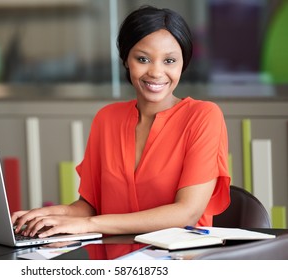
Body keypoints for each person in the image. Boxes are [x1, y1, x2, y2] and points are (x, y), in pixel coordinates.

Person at [12, 6, 231, 238]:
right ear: (127, 60)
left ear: (183, 64)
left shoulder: (203, 117)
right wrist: (48, 216)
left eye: (169, 61)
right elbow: (89, 207)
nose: (156, 72)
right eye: (143, 59)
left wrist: (89, 224)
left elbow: (186, 214)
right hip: (114, 260)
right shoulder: (107, 118)